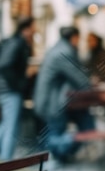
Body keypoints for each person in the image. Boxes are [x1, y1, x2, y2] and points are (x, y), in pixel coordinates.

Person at [33, 26, 95, 162]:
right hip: (52, 102)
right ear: (73, 38)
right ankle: (51, 152)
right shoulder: (64, 52)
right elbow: (79, 78)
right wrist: (91, 83)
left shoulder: (57, 49)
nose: (79, 42)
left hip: (54, 99)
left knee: (76, 126)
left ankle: (56, 154)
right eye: (79, 39)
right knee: (59, 132)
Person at [0, 16, 35, 160]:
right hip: (10, 90)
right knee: (12, 126)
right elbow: (4, 65)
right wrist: (18, 85)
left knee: (8, 121)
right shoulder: (17, 43)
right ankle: (5, 160)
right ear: (25, 29)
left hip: (6, 89)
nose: (34, 31)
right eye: (33, 27)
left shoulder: (16, 42)